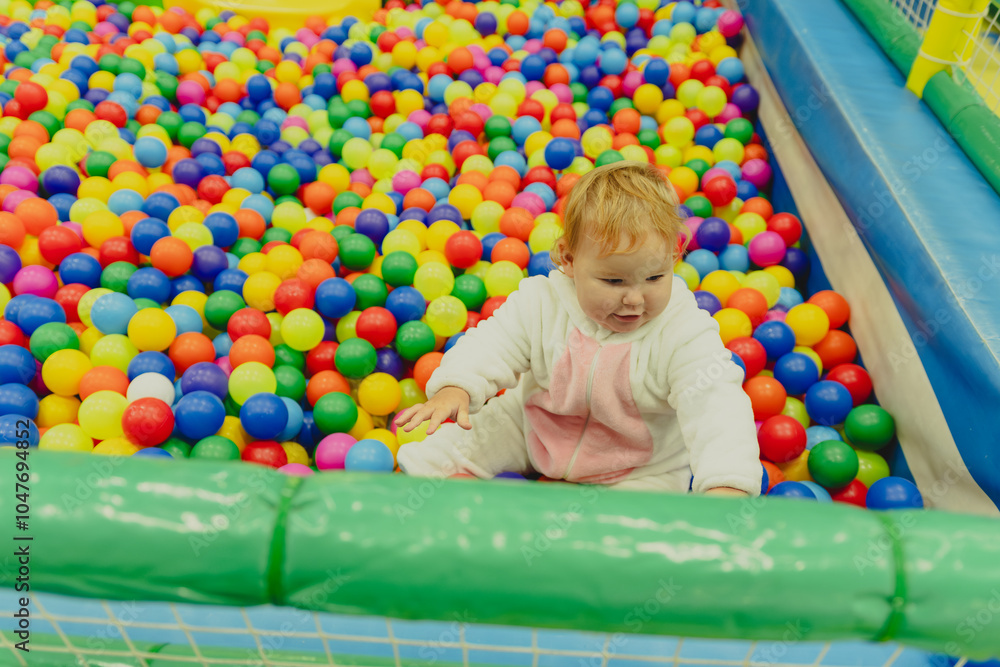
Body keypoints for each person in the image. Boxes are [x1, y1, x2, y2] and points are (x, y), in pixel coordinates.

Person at [394, 161, 762, 496]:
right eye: (613, 281)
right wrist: (456, 387)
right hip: (532, 428)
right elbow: (494, 342)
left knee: (640, 529)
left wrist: (728, 485)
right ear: (569, 260)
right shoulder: (543, 302)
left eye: (654, 277)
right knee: (436, 451)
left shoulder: (684, 331)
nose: (634, 299)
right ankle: (407, 506)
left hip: (639, 466)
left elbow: (717, 406)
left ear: (674, 256)